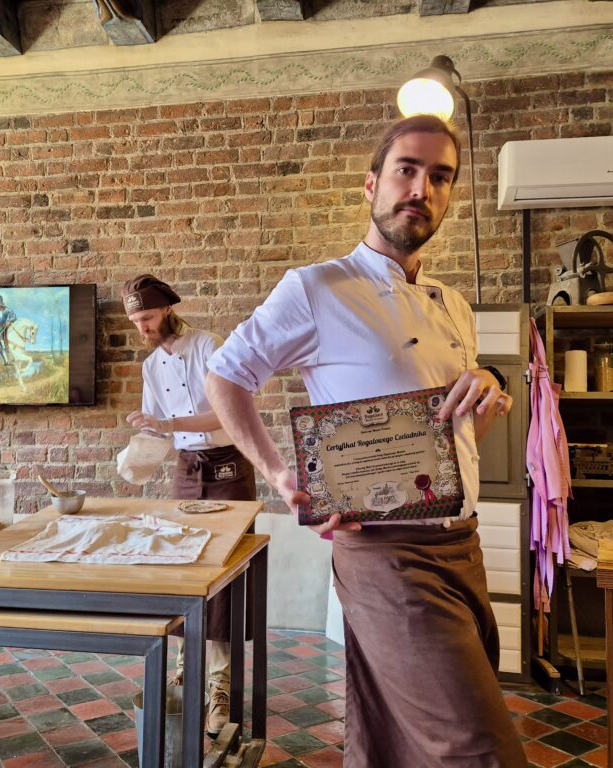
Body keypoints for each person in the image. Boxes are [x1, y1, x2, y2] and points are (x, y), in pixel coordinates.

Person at [205, 116, 526, 767]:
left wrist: (487, 390)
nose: (422, 188)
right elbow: (226, 376)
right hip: (384, 552)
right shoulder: (317, 288)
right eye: (407, 170)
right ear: (373, 184)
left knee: (394, 738)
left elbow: (456, 435)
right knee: (476, 747)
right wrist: (278, 473)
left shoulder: (454, 304)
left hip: (463, 545)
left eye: (441, 177)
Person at [122, 274, 257, 737]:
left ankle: (220, 686)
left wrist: (167, 421)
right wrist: (135, 456)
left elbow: (226, 413)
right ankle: (188, 668)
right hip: (187, 467)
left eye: (147, 318)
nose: (142, 328)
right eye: (136, 321)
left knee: (221, 574)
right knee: (184, 566)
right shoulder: (151, 367)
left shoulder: (208, 346)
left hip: (227, 467)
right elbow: (156, 431)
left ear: (167, 311)